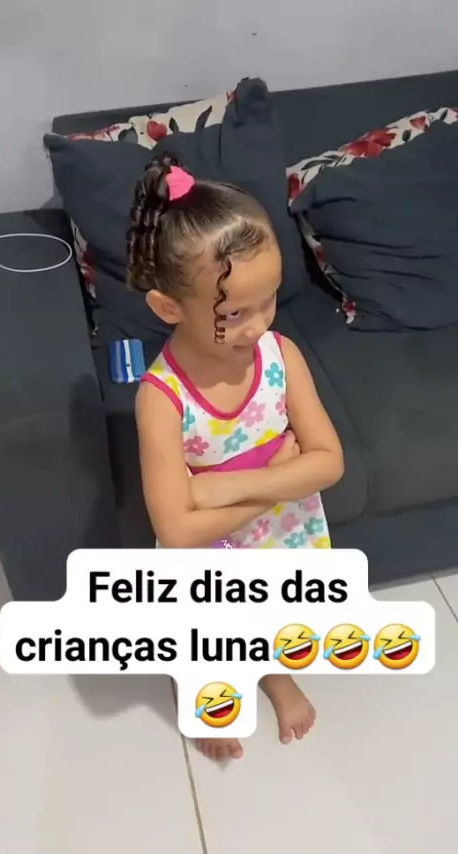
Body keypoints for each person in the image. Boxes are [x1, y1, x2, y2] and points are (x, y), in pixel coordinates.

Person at [128, 153, 344, 761]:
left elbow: (329, 461)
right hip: (208, 559)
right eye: (234, 314)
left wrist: (227, 488)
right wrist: (277, 477)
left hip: (279, 534)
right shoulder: (161, 398)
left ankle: (274, 675)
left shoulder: (281, 356)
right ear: (169, 308)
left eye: (269, 301)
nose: (258, 326)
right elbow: (177, 529)